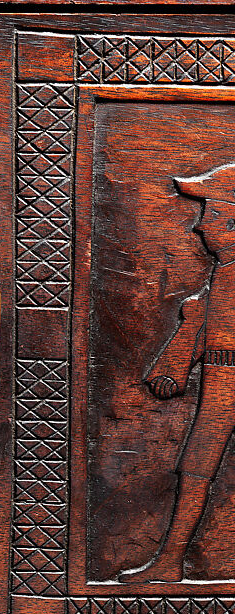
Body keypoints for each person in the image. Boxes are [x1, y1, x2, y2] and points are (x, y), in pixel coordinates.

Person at [121, 162, 235, 583]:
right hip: (222, 380)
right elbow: (199, 323)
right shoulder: (223, 273)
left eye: (211, 214)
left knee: (199, 466)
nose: (200, 228)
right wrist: (173, 366)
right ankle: (170, 561)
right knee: (197, 466)